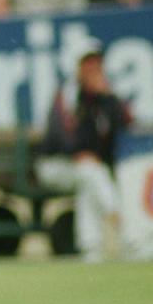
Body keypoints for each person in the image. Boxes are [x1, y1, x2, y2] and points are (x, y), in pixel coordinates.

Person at [36, 44, 132, 262]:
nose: (93, 68)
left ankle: (91, 249)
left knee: (89, 181)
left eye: (96, 62)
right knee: (91, 173)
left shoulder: (105, 96)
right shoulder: (67, 94)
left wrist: (107, 97)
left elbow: (123, 127)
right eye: (87, 63)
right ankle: (125, 230)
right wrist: (78, 153)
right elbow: (58, 137)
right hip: (55, 165)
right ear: (77, 67)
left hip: (87, 169)